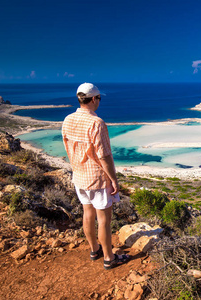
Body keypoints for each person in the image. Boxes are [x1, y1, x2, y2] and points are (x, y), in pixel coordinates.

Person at [62, 82, 130, 270]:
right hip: (97, 179)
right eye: (99, 98)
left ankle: (94, 250)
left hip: (79, 176)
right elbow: (104, 155)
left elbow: (68, 146)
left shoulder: (68, 119)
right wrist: (114, 179)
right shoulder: (96, 123)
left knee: (87, 214)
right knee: (104, 220)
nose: (99, 101)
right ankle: (109, 258)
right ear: (93, 99)